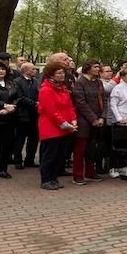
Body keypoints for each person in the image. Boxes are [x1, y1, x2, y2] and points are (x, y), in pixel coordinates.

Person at [37, 61, 77, 191]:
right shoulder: (46, 89)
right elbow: (51, 111)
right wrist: (64, 124)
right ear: (51, 74)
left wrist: (73, 120)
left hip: (65, 127)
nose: (61, 75)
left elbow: (69, 105)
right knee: (50, 155)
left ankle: (54, 178)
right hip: (51, 128)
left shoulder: (63, 88)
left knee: (60, 155)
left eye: (63, 73)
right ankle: (46, 179)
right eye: (58, 73)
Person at [70, 60, 106, 184]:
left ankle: (90, 172)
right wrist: (93, 119)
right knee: (80, 149)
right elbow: (80, 103)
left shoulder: (98, 82)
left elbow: (103, 100)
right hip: (83, 121)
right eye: (95, 67)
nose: (98, 69)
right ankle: (78, 175)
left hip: (98, 119)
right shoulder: (80, 83)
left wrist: (102, 117)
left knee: (92, 149)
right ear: (88, 68)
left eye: (98, 67)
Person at [13, 62, 40, 168]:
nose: (35, 71)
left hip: (35, 115)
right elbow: (19, 97)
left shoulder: (35, 82)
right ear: (26, 70)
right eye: (33, 69)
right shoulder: (17, 82)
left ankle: (30, 160)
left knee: (34, 139)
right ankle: (17, 160)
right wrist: (34, 103)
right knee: (20, 138)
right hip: (22, 114)